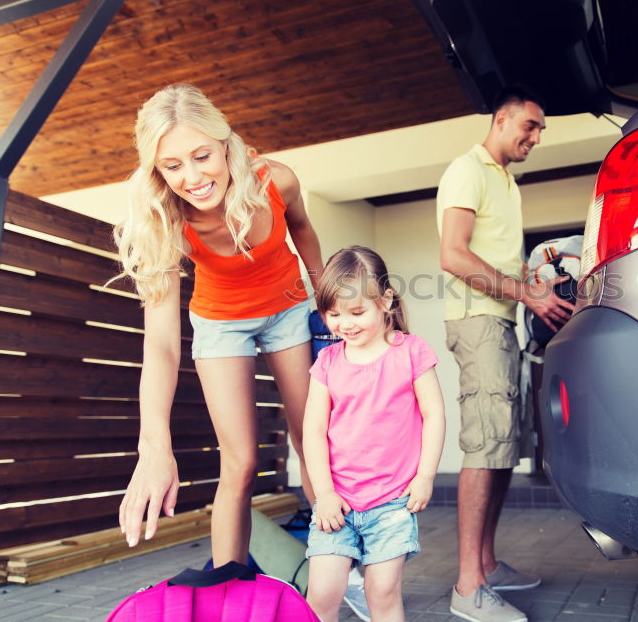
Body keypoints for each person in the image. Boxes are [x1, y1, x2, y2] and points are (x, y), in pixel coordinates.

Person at [114, 83, 324, 569]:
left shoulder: (277, 181)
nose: (192, 177)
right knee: (242, 462)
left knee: (310, 439)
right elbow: (162, 345)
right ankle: (228, 587)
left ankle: (336, 563)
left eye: (202, 155)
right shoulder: (162, 220)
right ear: (157, 171)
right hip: (221, 321)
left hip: (288, 306)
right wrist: (153, 447)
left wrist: (327, 297)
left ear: (225, 142)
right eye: (173, 166)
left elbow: (304, 229)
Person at [437, 85, 574, 622]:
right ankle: (468, 587)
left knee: (503, 446)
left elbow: (499, 261)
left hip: (500, 321)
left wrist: (537, 276)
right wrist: (528, 294)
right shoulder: (467, 170)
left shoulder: (505, 184)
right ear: (501, 119)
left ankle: (488, 565)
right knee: (484, 447)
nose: (536, 137)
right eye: (531, 126)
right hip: (477, 323)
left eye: (541, 130)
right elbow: (452, 254)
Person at [303, 246, 446, 622]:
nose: (344, 324)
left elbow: (434, 415)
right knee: (321, 594)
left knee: (381, 592)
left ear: (384, 301)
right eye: (332, 314)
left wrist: (425, 477)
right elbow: (314, 431)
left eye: (356, 312)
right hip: (338, 503)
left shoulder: (411, 352)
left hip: (393, 502)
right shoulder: (328, 362)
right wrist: (325, 494)